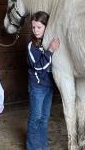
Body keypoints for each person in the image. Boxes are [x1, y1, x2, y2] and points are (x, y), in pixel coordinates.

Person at [26, 11, 60, 150]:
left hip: (49, 86)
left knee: (44, 119)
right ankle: (32, 147)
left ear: (46, 27)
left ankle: (43, 146)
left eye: (39, 27)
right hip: (37, 87)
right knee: (36, 118)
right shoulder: (31, 46)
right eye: (33, 27)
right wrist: (50, 50)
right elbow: (39, 67)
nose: (35, 31)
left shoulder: (47, 42)